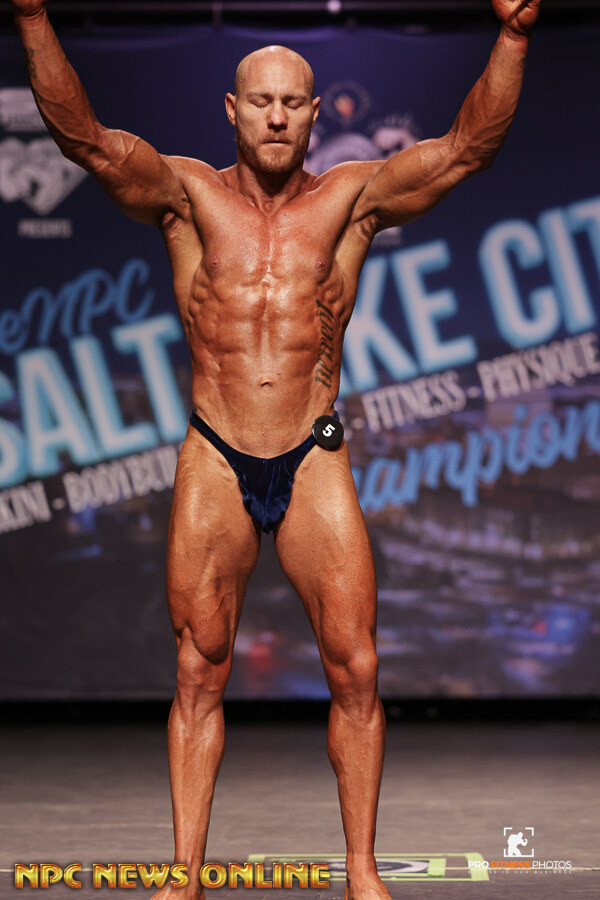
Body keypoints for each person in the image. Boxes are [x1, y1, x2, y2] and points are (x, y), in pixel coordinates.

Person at [13, 1, 541, 897]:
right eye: (260, 101)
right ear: (232, 108)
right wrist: (30, 14)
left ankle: (363, 873)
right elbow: (87, 142)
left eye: (292, 103)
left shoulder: (350, 202)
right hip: (217, 453)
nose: (275, 117)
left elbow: (465, 150)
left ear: (315, 112)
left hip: (313, 452)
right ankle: (184, 876)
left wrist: (516, 36)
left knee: (357, 667)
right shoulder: (188, 197)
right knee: (198, 668)